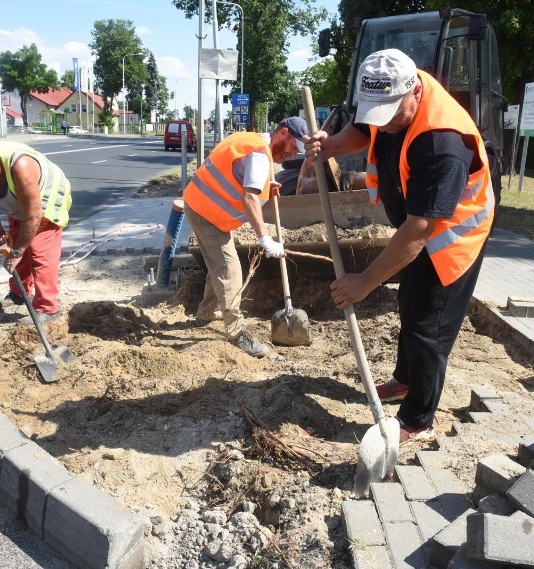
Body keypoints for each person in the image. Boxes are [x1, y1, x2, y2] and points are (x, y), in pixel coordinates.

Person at [304, 49, 495, 443]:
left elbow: (421, 228)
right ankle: (406, 381)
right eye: (377, 112)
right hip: (417, 225)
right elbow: (364, 128)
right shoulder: (386, 94)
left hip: (452, 235)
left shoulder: (443, 141)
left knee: (429, 323)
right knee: (410, 300)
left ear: (414, 92)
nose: (385, 122)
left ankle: (418, 418)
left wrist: (366, 281)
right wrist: (334, 145)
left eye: (391, 112)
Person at [182, 117, 309, 357]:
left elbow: (239, 173)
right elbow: (249, 198)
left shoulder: (253, 142)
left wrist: (266, 185)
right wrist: (264, 238)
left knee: (218, 265)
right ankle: (237, 334)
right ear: (283, 133)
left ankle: (204, 316)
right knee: (230, 270)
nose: (293, 153)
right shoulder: (260, 154)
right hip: (205, 211)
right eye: (294, 146)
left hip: (205, 206)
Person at [0, 137, 72, 324]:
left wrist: (17, 252)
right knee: (17, 242)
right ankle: (19, 294)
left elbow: (34, 216)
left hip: (45, 201)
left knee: (40, 253)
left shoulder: (21, 165)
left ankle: (47, 308)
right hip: (19, 202)